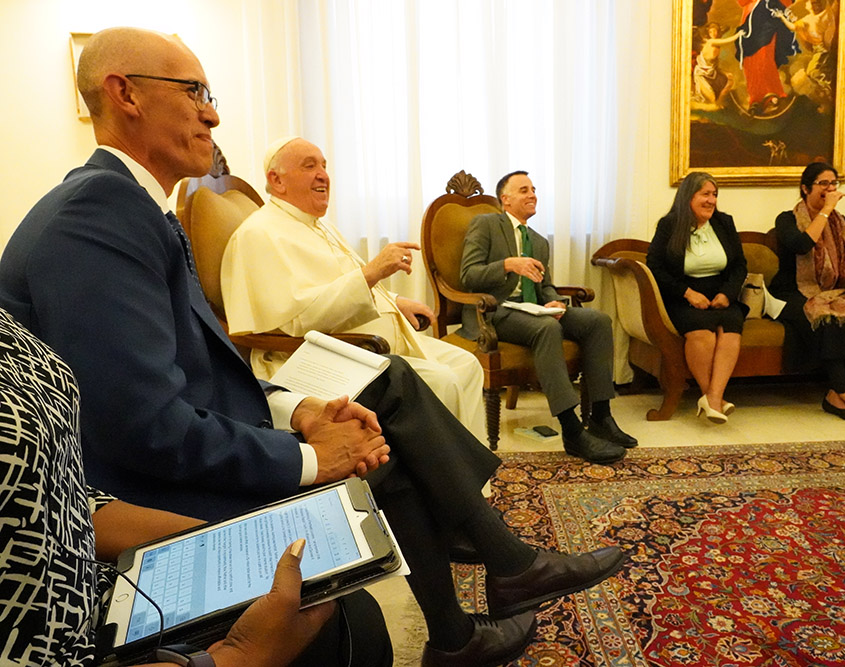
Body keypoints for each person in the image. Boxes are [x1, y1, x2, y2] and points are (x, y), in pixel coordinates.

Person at [0, 28, 624, 666]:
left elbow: (190, 370)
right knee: (382, 419)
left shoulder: (130, 208)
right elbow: (142, 428)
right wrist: (306, 459)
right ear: (123, 92)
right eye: (195, 92)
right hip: (136, 499)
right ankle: (499, 566)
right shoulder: (98, 216)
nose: (213, 113)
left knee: (380, 429)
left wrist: (295, 411)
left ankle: (463, 620)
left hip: (199, 432)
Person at [0, 306, 390, 667]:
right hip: (67, 644)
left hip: (97, 581)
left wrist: (219, 541)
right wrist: (241, 657)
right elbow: (148, 421)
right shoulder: (94, 239)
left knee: (345, 601)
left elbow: (51, 488)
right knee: (350, 627)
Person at [221, 137, 486, 444]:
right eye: (310, 166)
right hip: (317, 355)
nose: (323, 174)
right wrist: (373, 271)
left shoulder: (321, 226)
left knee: (467, 365)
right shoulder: (259, 234)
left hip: (366, 344)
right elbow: (297, 320)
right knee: (444, 381)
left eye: (324, 165)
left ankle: (475, 485)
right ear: (276, 180)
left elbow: (341, 282)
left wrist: (397, 301)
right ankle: (443, 486)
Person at [459, 171, 636, 464]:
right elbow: (468, 276)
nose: (532, 194)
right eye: (523, 190)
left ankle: (601, 417)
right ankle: (572, 431)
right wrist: (507, 264)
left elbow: (545, 286)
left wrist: (553, 300)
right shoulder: (487, 225)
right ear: (505, 199)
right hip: (493, 311)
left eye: (534, 189)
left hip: (533, 310)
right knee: (545, 329)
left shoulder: (539, 242)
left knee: (597, 321)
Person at [769, 162, 845, 423]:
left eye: (834, 183)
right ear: (805, 188)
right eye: (823, 183)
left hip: (835, 292)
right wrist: (827, 210)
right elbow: (801, 245)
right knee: (827, 321)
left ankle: (835, 395)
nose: (830, 188)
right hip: (791, 294)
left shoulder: (844, 224)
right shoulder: (787, 219)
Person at [647, 172, 748, 423]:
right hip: (682, 296)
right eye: (705, 194)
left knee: (732, 327)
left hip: (721, 295)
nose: (711, 200)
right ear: (688, 197)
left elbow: (740, 266)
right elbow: (654, 266)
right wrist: (687, 293)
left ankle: (712, 397)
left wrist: (728, 293)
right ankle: (713, 399)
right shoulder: (669, 225)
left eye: (714, 195)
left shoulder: (724, 222)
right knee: (702, 331)